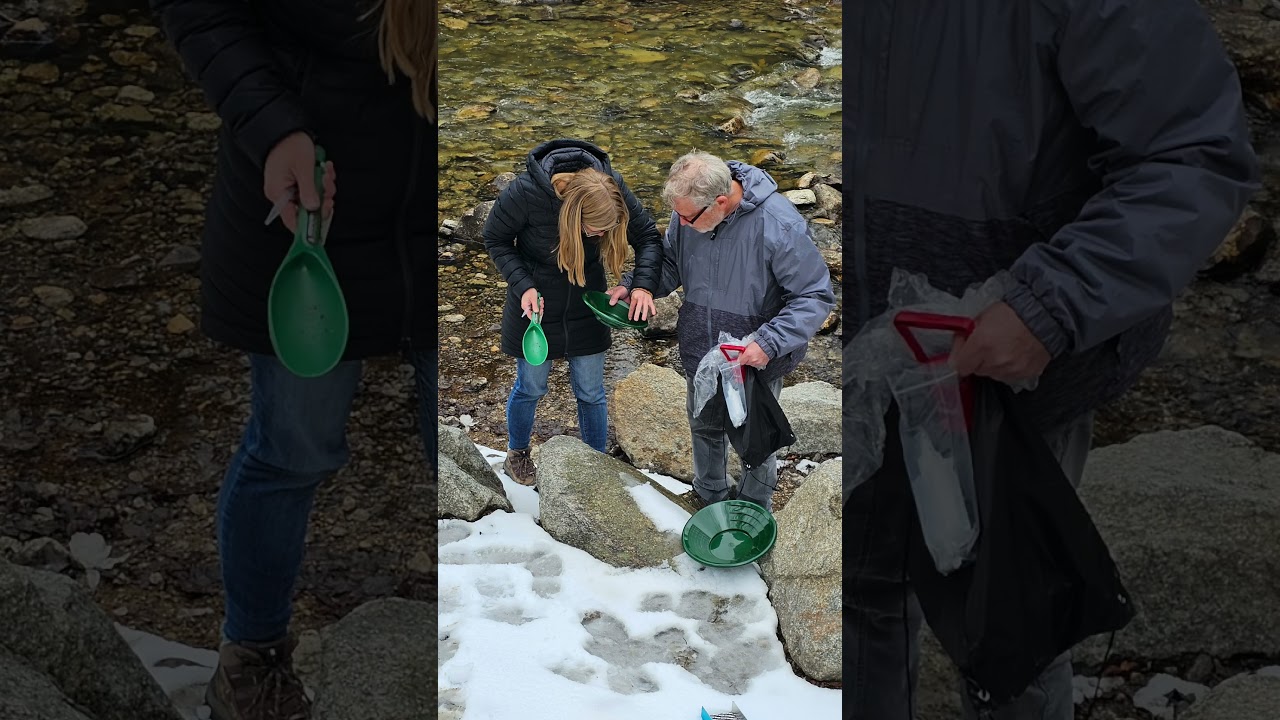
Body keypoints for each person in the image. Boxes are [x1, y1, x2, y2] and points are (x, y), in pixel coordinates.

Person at [846, 1, 1260, 718]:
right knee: (865, 593)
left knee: (1013, 637)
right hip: (862, 370)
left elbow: (1193, 156)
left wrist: (1051, 305)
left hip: (1012, 379)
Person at [150, 0, 435, 718]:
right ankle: (251, 662)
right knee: (291, 451)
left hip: (439, 216)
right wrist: (273, 126)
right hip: (308, 209)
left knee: (460, 448)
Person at [621, 151, 835, 511]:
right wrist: (637, 285)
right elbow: (672, 263)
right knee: (704, 428)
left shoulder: (778, 224)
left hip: (754, 361)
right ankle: (709, 498)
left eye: (688, 217)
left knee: (755, 441)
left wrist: (768, 342)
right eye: (679, 216)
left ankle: (753, 507)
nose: (682, 224)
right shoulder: (689, 213)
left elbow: (814, 296)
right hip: (699, 350)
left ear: (721, 202)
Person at [482, 138, 665, 486]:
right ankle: (517, 453)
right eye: (594, 230)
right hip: (536, 304)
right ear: (572, 212)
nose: (600, 236)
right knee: (531, 386)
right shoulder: (525, 193)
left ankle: (595, 463)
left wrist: (642, 285)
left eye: (606, 231)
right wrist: (523, 285)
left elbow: (648, 237)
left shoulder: (614, 190)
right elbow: (496, 239)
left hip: (588, 301)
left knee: (591, 391)